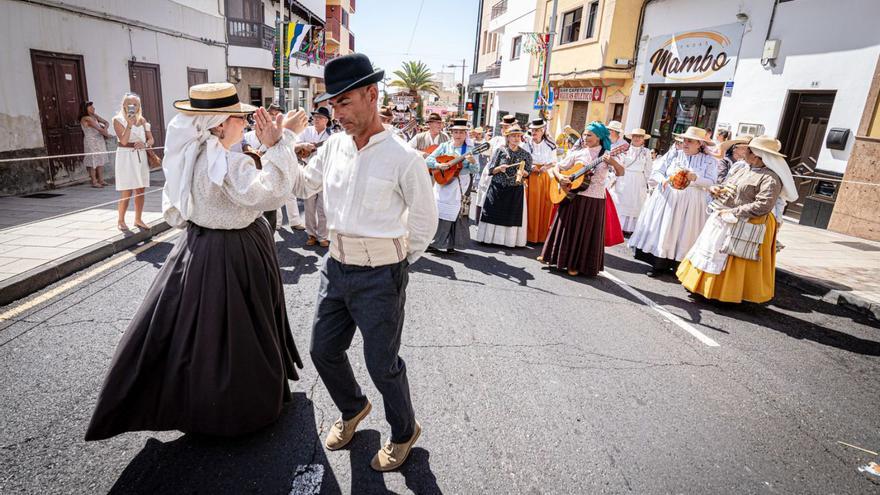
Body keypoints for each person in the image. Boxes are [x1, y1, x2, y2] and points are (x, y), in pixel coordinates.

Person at [85, 82, 308, 441]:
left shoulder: (195, 155)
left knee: (196, 331)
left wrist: (272, 144)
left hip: (198, 248)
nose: (246, 122)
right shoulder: (226, 163)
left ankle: (194, 401)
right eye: (240, 117)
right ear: (219, 124)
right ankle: (238, 407)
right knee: (240, 329)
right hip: (234, 252)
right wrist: (281, 142)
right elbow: (274, 192)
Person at [289, 53, 437, 472]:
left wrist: (391, 264)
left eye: (345, 102)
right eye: (332, 105)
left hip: (381, 274)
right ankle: (353, 408)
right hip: (334, 267)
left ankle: (405, 431)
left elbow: (424, 224)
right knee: (323, 350)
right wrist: (278, 144)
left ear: (372, 95)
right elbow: (303, 184)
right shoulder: (333, 145)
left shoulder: (404, 157)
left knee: (382, 364)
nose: (337, 113)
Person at [677, 136, 798, 303]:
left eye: (747, 150)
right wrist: (716, 190)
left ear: (757, 155)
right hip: (725, 216)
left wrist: (734, 211)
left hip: (749, 222)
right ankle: (703, 287)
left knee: (735, 258)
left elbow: (764, 205)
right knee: (712, 251)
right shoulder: (743, 169)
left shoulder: (770, 178)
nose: (743, 153)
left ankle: (728, 294)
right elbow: (729, 186)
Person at [628, 126, 718, 277]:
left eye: (690, 141)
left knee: (685, 232)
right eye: (684, 140)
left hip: (692, 203)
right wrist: (663, 180)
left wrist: (695, 178)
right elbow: (657, 172)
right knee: (665, 229)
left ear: (700, 144)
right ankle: (658, 263)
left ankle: (678, 266)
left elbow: (712, 182)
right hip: (668, 199)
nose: (685, 143)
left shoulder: (709, 161)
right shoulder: (674, 154)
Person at [540, 122, 625, 277]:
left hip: (594, 199)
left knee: (585, 234)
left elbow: (620, 172)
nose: (585, 138)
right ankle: (556, 259)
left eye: (589, 135)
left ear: (599, 137)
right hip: (573, 196)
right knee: (567, 230)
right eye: (584, 134)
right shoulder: (578, 152)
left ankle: (577, 265)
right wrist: (561, 179)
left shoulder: (608, 153)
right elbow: (557, 167)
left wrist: (611, 161)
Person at [425, 118, 479, 253]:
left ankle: (451, 245)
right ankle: (434, 242)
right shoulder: (444, 146)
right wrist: (438, 165)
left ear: (466, 134)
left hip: (461, 183)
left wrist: (472, 162)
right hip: (444, 183)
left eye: (461, 132)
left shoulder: (471, 149)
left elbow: (476, 170)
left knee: (457, 213)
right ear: (451, 133)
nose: (458, 135)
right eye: (455, 132)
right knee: (439, 212)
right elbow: (429, 160)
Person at [476, 123, 533, 247]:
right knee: (492, 213)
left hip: (515, 189)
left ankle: (509, 242)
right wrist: (499, 168)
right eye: (513, 136)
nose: (516, 138)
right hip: (498, 187)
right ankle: (489, 239)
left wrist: (524, 172)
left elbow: (528, 173)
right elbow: (491, 170)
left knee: (511, 216)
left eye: (518, 136)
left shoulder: (526, 154)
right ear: (508, 137)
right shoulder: (500, 151)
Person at [112, 93, 154, 231]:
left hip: (140, 156)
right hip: (126, 156)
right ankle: (121, 220)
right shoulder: (117, 120)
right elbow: (123, 141)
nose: (133, 107)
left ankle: (138, 219)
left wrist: (145, 144)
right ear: (124, 105)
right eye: (130, 104)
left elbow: (151, 140)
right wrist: (129, 125)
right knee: (126, 190)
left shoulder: (142, 120)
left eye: (136, 104)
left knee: (140, 189)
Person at [299, 106, 333, 247]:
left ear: (326, 120)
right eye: (315, 117)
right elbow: (296, 145)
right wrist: (304, 147)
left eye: (320, 117)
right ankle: (311, 234)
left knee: (323, 208)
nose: (316, 120)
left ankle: (322, 236)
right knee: (309, 206)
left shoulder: (331, 137)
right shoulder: (306, 131)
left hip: (325, 174)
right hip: (308, 172)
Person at [610, 128, 653, 235]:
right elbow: (618, 164)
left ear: (643, 139)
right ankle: (617, 225)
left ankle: (631, 228)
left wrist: (650, 185)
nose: (637, 138)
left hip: (639, 180)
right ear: (631, 138)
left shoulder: (647, 152)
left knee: (636, 202)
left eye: (640, 137)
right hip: (624, 177)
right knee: (621, 200)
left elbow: (648, 169)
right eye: (635, 136)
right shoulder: (624, 149)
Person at [476, 115, 517, 221]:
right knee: (483, 196)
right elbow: (484, 149)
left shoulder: (518, 142)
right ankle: (480, 222)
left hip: (506, 175)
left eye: (507, 127)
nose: (504, 129)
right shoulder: (496, 140)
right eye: (503, 127)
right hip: (490, 171)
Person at [524, 118, 557, 243]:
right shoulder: (527, 143)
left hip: (543, 177)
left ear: (543, 130)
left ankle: (541, 236)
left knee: (544, 205)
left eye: (537, 130)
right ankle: (528, 235)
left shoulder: (550, 144)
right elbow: (523, 158)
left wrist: (545, 167)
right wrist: (531, 166)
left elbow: (554, 162)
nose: (534, 132)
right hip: (529, 176)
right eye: (532, 130)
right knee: (529, 205)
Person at [79, 101, 111, 188]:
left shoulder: (94, 116)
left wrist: (105, 128)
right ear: (85, 109)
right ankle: (94, 181)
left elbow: (106, 122)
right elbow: (98, 128)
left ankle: (101, 179)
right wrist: (107, 134)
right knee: (93, 160)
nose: (93, 108)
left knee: (100, 159)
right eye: (90, 107)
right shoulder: (86, 118)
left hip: (99, 140)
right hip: (91, 141)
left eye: (93, 107)